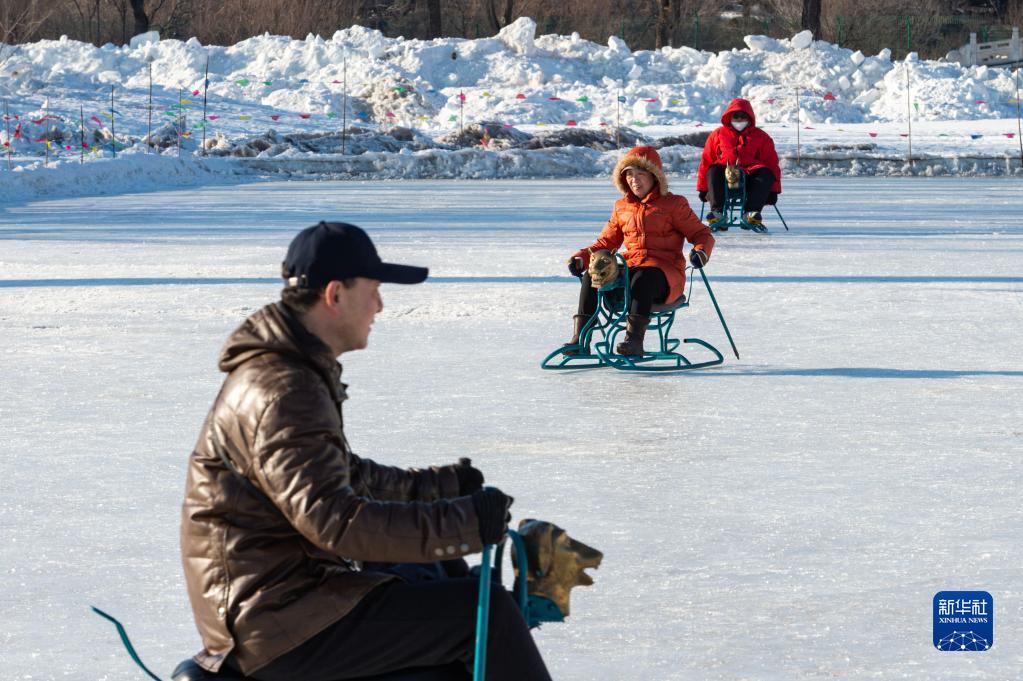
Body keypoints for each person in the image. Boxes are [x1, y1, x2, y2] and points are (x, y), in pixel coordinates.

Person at [179, 221, 551, 681]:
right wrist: (468, 523)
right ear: (335, 295)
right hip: (274, 621)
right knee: (486, 615)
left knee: (439, 568)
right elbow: (335, 520)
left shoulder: (292, 371)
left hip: (286, 598)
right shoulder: (283, 389)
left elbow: (345, 476)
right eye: (373, 289)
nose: (379, 305)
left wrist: (439, 488)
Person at [565, 145, 715, 357]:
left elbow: (702, 234)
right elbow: (605, 242)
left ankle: (634, 341)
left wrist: (701, 252)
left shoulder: (674, 204)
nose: (634, 180)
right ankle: (580, 340)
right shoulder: (621, 207)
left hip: (664, 274)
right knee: (593, 273)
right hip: (631, 269)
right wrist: (581, 258)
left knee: (643, 276)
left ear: (654, 176)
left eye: (640, 174)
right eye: (629, 175)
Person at [696, 98, 782, 228]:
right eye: (736, 116)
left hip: (750, 177)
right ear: (729, 117)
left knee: (766, 172)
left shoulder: (762, 137)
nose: (739, 120)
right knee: (713, 169)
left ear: (749, 117)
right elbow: (706, 160)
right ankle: (717, 212)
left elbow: (772, 163)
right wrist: (702, 188)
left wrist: (773, 190)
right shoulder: (717, 134)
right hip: (724, 176)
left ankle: (750, 213)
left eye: (743, 116)